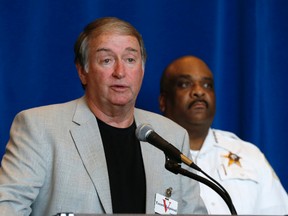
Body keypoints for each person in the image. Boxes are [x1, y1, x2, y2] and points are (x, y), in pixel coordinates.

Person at [0, 18, 207, 215]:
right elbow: (7, 207)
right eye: (107, 60)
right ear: (83, 71)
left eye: (130, 59)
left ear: (142, 71)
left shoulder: (171, 135)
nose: (120, 71)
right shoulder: (39, 127)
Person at [159, 55, 288, 215]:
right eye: (185, 84)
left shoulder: (248, 153)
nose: (199, 91)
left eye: (207, 85)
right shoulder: (147, 152)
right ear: (163, 101)